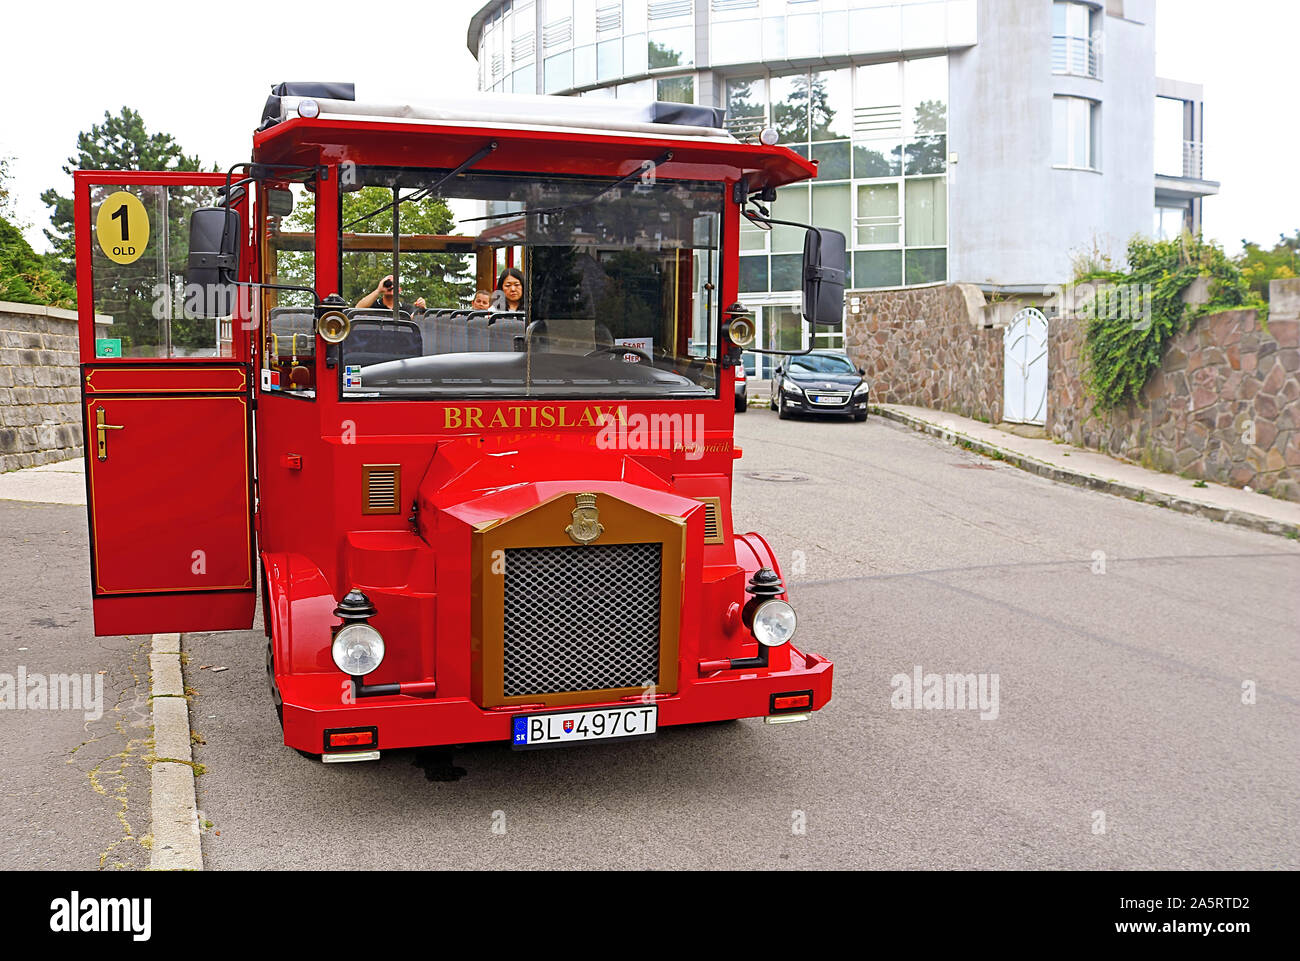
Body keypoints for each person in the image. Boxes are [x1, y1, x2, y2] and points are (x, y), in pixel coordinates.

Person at [356, 275, 425, 314]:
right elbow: (357, 309)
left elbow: (417, 318)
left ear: (399, 290)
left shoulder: (405, 308)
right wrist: (378, 290)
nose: (391, 286)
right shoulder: (374, 305)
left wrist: (423, 308)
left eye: (395, 284)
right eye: (388, 284)